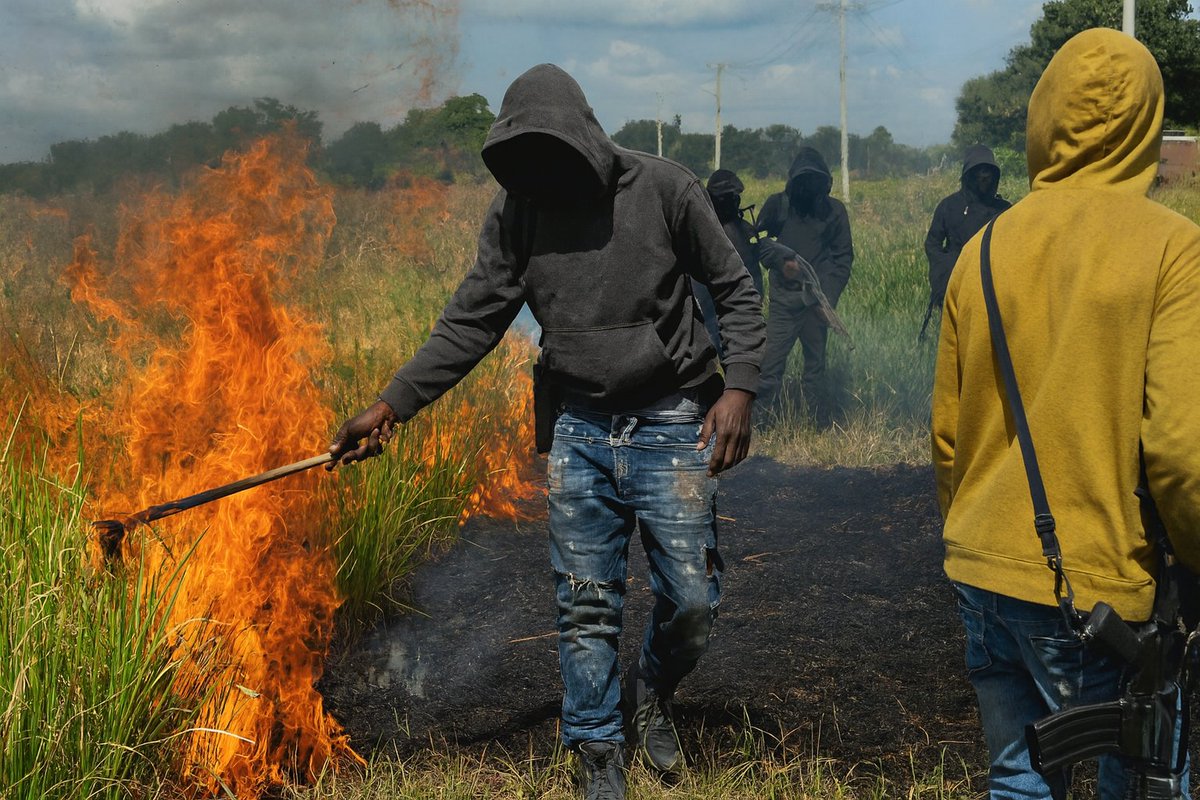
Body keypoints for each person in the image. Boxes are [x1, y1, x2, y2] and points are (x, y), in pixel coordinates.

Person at [327, 64, 765, 800]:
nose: (539, 174)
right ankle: (598, 750)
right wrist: (392, 404)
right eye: (523, 160)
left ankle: (652, 690)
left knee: (692, 600)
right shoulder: (516, 212)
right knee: (586, 601)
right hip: (579, 427)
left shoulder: (665, 189)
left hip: (669, 420)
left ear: (586, 138)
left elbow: (735, 290)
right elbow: (470, 322)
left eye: (551, 155)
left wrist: (742, 387)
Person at [932, 28, 1200, 799]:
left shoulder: (982, 249)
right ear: (1147, 123)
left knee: (1017, 784)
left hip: (981, 573)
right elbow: (1182, 451)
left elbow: (948, 437)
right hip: (1100, 590)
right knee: (1148, 781)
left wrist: (976, 538)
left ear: (1042, 119)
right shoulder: (1173, 250)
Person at [755, 146, 853, 422]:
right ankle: (760, 423)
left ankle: (816, 423)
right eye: (804, 181)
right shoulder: (778, 205)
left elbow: (842, 258)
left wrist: (828, 300)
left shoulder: (834, 211)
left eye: (815, 181)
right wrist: (779, 262)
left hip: (815, 302)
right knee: (770, 365)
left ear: (824, 182)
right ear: (794, 181)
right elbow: (757, 242)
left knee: (815, 369)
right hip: (784, 303)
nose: (809, 188)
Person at [920, 145, 1010, 340]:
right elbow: (932, 244)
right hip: (955, 280)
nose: (984, 176)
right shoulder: (949, 206)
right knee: (954, 337)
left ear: (995, 175)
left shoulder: (1003, 210)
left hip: (991, 282)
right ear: (969, 174)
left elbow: (1013, 250)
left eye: (988, 171)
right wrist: (946, 272)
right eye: (979, 171)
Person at [693, 168, 764, 356]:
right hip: (712, 305)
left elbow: (755, 268)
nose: (730, 203)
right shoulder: (702, 230)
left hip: (743, 305)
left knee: (743, 351)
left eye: (732, 198)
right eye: (724, 199)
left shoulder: (746, 231)